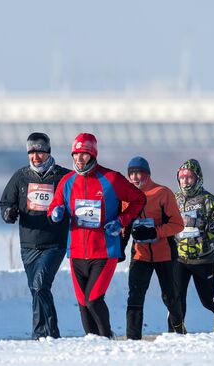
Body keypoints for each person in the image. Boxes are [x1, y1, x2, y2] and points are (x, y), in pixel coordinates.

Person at [47, 132, 146, 339]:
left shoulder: (111, 178)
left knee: (93, 298)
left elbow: (138, 199)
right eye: (75, 154)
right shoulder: (67, 181)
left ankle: (106, 338)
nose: (78, 159)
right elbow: (55, 205)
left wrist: (120, 221)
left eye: (83, 154)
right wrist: (55, 212)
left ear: (92, 155)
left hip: (104, 251)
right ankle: (93, 344)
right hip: (76, 252)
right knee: (83, 303)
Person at [0, 132, 71, 339]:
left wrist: (63, 211)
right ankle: (43, 335)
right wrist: (9, 213)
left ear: (48, 152)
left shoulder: (64, 177)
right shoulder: (20, 176)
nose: (35, 156)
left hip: (54, 244)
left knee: (40, 285)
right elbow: (6, 203)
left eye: (39, 152)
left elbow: (75, 202)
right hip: (28, 244)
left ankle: (47, 333)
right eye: (31, 152)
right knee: (36, 289)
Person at [121, 156, 186, 340]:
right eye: (131, 173)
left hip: (164, 254)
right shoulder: (126, 197)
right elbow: (124, 227)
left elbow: (178, 224)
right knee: (135, 296)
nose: (134, 177)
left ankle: (179, 332)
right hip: (140, 255)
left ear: (147, 174)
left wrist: (155, 232)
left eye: (138, 173)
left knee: (170, 297)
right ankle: (133, 339)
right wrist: (119, 248)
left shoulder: (162, 193)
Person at [171, 158, 214, 334]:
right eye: (182, 177)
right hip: (179, 258)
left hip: (203, 259)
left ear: (197, 178)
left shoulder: (209, 200)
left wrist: (206, 226)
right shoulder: (174, 199)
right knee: (177, 299)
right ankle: (176, 332)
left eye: (189, 177)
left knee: (206, 299)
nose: (185, 181)